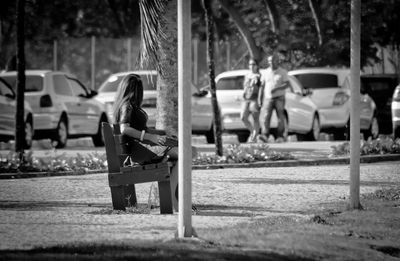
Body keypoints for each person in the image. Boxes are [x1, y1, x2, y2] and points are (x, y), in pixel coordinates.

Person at [112, 73, 196, 211]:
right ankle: (173, 198)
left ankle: (177, 197)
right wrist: (151, 137)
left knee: (190, 151)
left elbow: (142, 129)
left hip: (143, 149)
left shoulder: (130, 106)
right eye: (138, 88)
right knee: (186, 154)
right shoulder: (127, 106)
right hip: (141, 153)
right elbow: (124, 129)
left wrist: (162, 133)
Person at [258, 52, 289, 143]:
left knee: (280, 117)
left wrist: (277, 89)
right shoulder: (265, 72)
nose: (271, 62)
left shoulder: (282, 72)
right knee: (266, 117)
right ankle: (265, 135)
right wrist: (259, 99)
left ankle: (280, 136)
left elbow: (287, 84)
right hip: (268, 98)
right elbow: (262, 86)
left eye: (273, 61)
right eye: (269, 61)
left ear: (277, 61)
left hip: (279, 97)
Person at [241, 58, 262, 143]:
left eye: (253, 64)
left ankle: (254, 136)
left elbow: (261, 87)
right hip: (246, 99)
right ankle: (253, 132)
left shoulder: (259, 76)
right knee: (243, 117)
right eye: (250, 64)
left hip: (255, 99)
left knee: (255, 118)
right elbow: (245, 86)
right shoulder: (247, 75)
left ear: (257, 66)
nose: (252, 66)